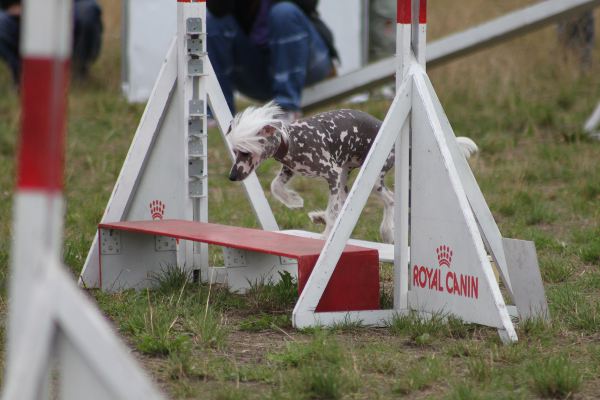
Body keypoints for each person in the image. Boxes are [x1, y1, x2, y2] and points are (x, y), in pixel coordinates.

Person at [207, 0, 338, 118]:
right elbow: (217, 10)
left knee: (283, 12)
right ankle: (219, 115)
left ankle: (286, 110)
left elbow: (309, 4)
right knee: (212, 22)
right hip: (259, 72)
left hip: (308, 62)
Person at [0, 0, 103, 84]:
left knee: (89, 11)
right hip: (20, 9)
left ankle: (76, 71)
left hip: (69, 7)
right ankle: (24, 74)